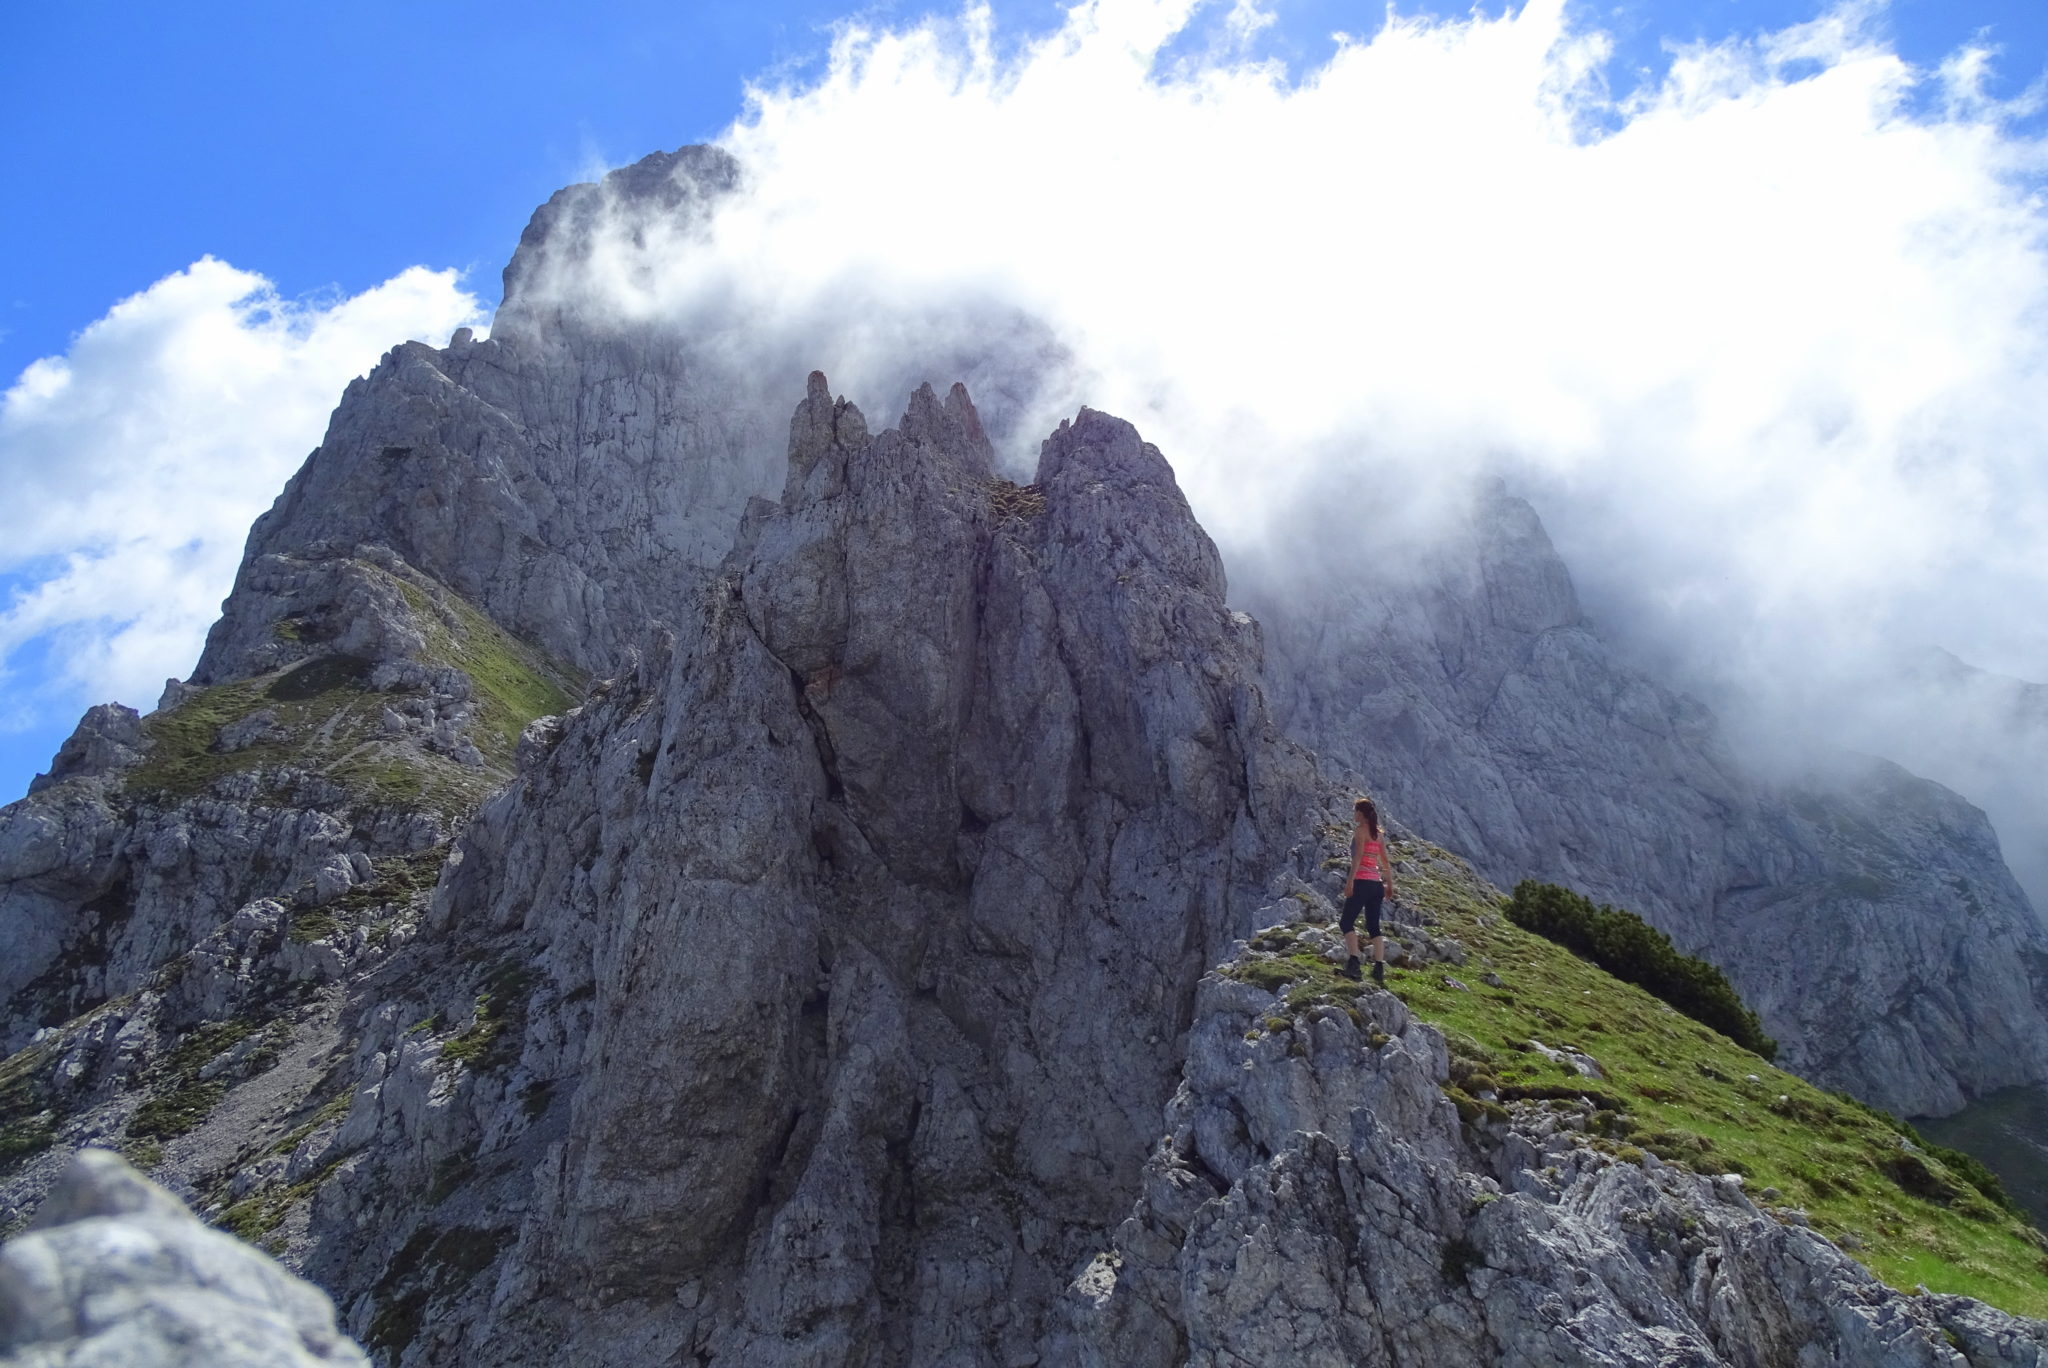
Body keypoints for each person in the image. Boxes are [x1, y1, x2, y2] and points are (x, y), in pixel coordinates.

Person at [1339, 797, 1396, 983]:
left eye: (1355, 811)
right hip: (1377, 885)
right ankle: (1378, 968)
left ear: (1361, 814)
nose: (1353, 814)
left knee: (1346, 922)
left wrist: (1350, 882)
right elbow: (1385, 862)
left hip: (1362, 882)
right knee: (1373, 926)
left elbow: (1357, 858)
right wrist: (1389, 885)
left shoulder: (1360, 831)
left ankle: (1354, 963)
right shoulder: (1378, 834)